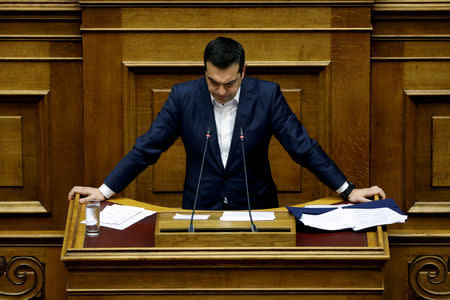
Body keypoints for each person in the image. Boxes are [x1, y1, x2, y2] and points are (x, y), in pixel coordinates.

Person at [68, 37, 385, 209]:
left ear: (244, 71)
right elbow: (146, 149)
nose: (220, 91)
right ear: (204, 70)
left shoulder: (267, 95)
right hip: (199, 209)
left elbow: (303, 148)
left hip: (257, 208)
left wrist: (348, 190)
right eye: (213, 82)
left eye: (229, 84)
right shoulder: (183, 96)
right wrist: (104, 190)